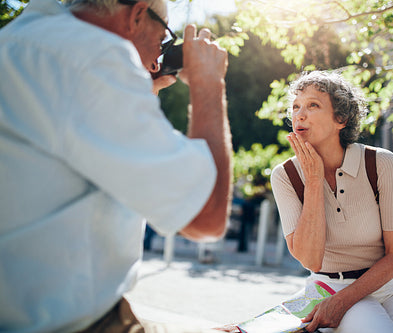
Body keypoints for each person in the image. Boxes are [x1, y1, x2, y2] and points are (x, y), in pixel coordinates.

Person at [0, 0, 232, 331]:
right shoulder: (92, 56)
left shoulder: (21, 40)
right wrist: (208, 83)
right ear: (137, 15)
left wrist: (144, 90)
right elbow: (206, 217)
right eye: (164, 37)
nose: (159, 54)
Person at [270, 71, 393, 333]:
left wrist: (341, 303)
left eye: (312, 105)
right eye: (295, 107)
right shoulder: (286, 176)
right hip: (330, 286)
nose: (299, 115)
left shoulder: (381, 163)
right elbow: (310, 260)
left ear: (341, 118)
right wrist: (314, 181)